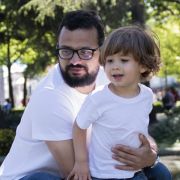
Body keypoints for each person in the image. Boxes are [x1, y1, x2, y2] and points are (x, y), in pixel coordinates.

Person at [0, 10, 171, 180]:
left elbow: (133, 127)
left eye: (85, 52)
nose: (75, 61)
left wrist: (149, 155)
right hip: (37, 176)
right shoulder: (50, 97)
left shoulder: (112, 77)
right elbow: (74, 174)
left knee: (159, 172)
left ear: (101, 52)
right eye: (66, 51)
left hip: (99, 166)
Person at [68, 26, 160, 180]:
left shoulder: (146, 96)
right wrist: (81, 162)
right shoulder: (98, 98)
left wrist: (149, 151)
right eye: (110, 61)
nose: (115, 66)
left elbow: (136, 128)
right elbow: (79, 127)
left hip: (135, 172)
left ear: (143, 65)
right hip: (104, 175)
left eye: (124, 60)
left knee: (163, 173)